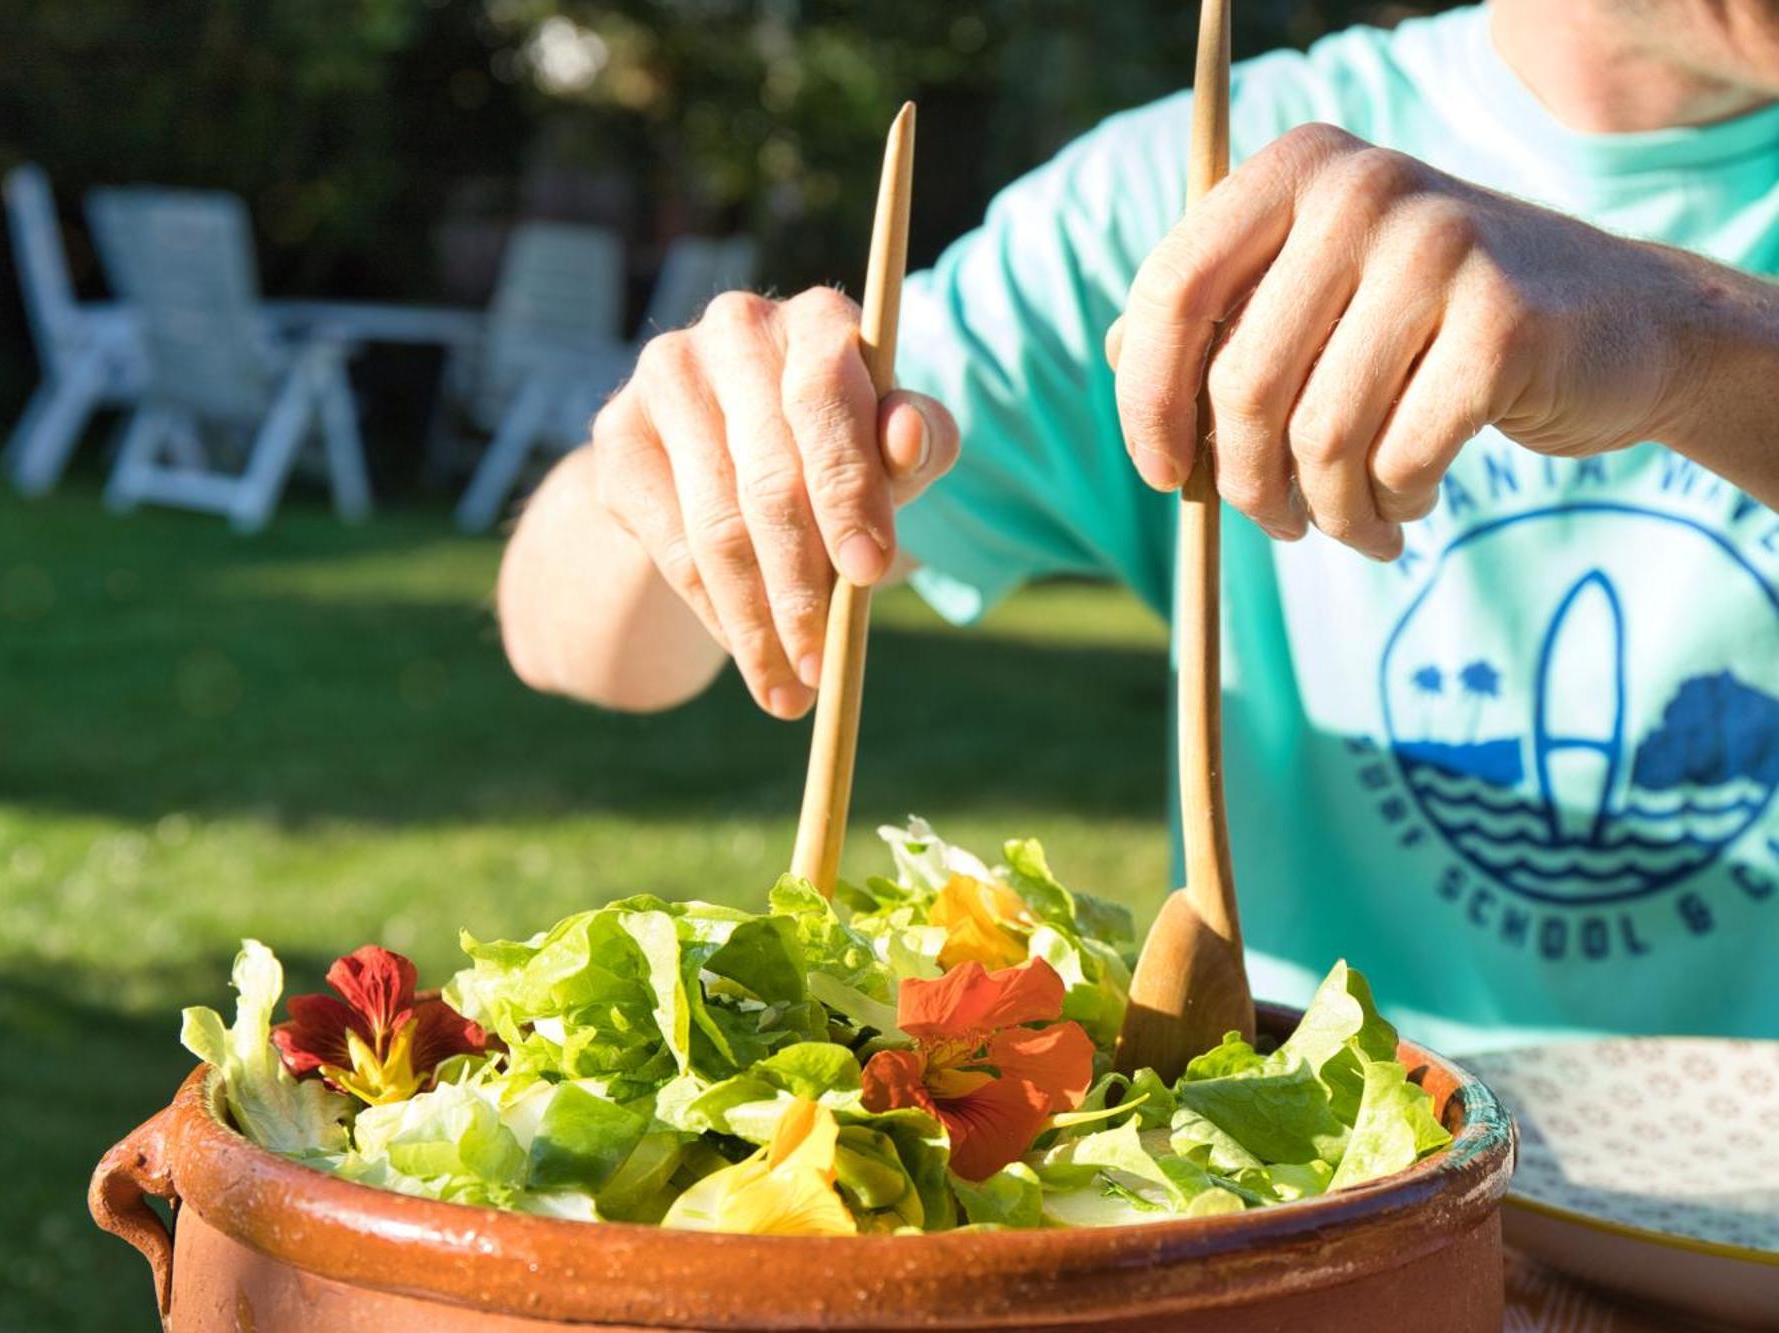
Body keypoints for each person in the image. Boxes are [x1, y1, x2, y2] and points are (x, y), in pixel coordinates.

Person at [496, 0, 1779, 1052]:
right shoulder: (1209, 198)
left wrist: (1693, 338)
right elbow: (574, 639)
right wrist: (703, 463)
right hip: (1333, 1212)